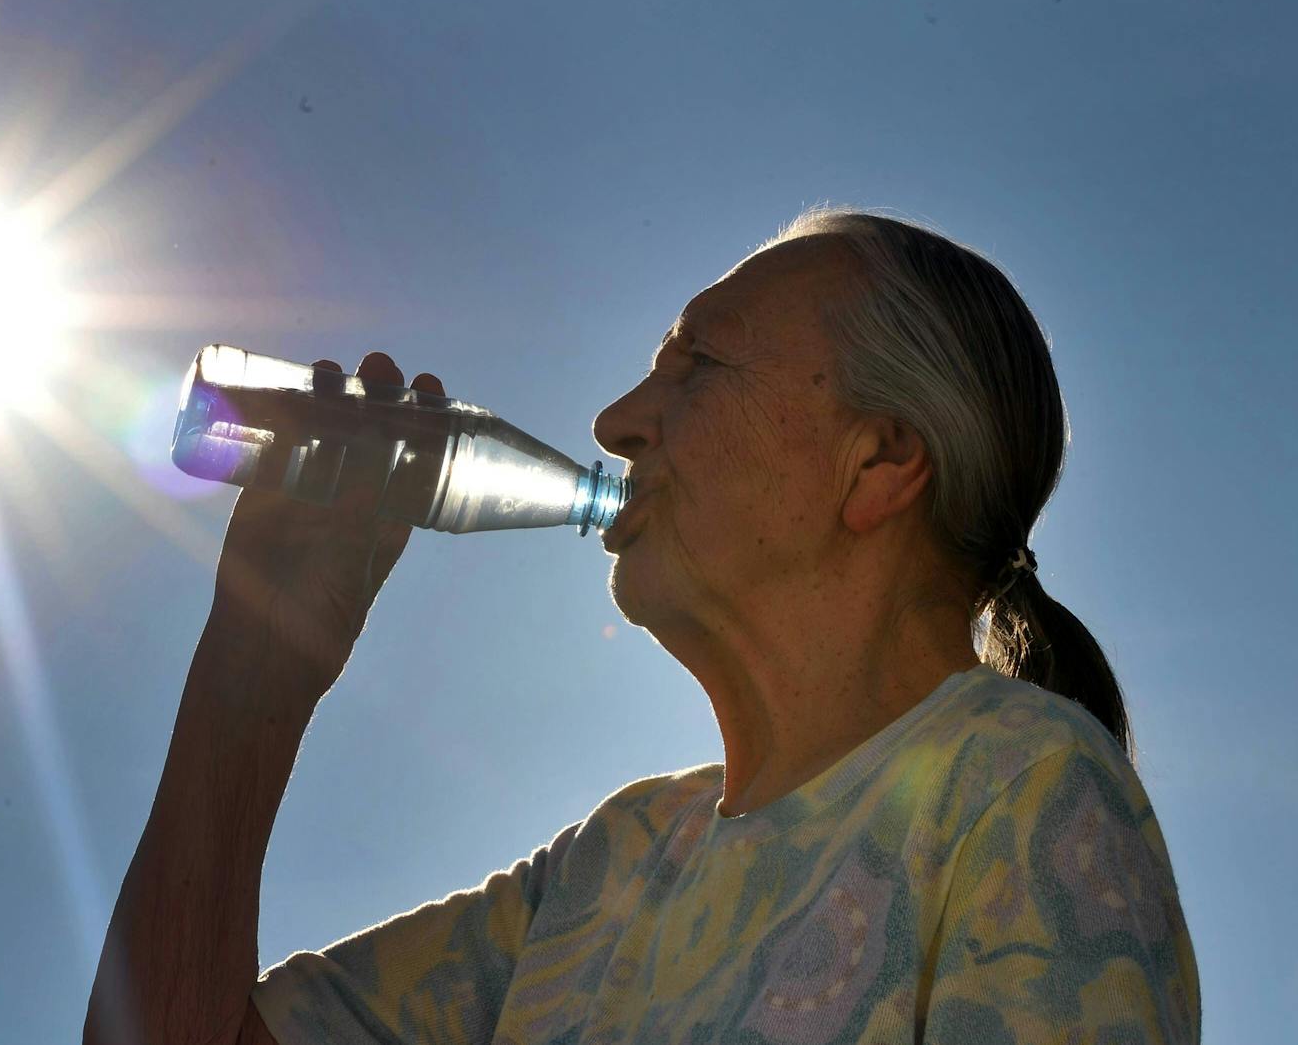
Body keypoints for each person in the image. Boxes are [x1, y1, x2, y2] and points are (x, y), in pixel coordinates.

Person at [82, 208, 1200, 1045]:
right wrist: (254, 674)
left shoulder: (1017, 784)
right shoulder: (611, 864)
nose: (616, 422)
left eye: (695, 364)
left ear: (880, 458)